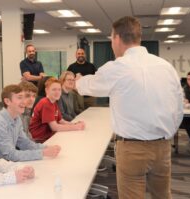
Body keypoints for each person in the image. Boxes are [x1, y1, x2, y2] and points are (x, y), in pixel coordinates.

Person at [76, 16, 183, 199]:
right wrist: (168, 133)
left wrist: (77, 81)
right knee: (163, 195)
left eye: (111, 39)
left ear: (117, 38)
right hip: (163, 146)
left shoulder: (118, 67)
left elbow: (90, 85)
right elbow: (179, 107)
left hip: (131, 148)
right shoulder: (166, 67)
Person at [0, 85, 61, 162]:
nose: (24, 102)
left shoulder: (17, 118)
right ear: (7, 101)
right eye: (19, 98)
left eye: (23, 98)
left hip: (3, 163)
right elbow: (10, 155)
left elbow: (25, 143)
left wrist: (46, 147)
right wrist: (43, 153)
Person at [29, 77, 85, 143]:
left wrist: (74, 124)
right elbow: (55, 127)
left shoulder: (53, 102)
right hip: (39, 140)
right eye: (54, 89)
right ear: (47, 90)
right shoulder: (45, 103)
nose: (57, 92)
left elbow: (61, 121)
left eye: (59, 90)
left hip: (48, 136)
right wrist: (76, 127)